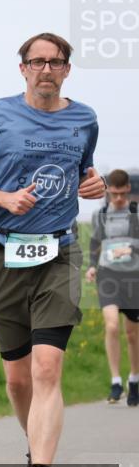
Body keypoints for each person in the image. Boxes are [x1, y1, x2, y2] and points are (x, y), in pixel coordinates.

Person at [0, 32, 105, 467]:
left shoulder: (85, 119)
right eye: (37, 61)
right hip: (3, 253)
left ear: (67, 70)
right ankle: (34, 445)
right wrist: (4, 198)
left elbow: (84, 174)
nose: (46, 69)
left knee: (47, 368)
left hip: (60, 254)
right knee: (18, 379)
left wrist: (93, 184)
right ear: (22, 68)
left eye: (55, 62)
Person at [86, 169, 139, 407]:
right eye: (113, 194)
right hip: (108, 275)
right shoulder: (100, 214)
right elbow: (95, 241)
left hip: (133, 277)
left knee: (132, 334)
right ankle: (116, 381)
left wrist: (131, 249)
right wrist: (92, 266)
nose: (117, 198)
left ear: (128, 189)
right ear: (108, 191)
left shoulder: (136, 213)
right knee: (111, 325)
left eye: (121, 193)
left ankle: (134, 379)